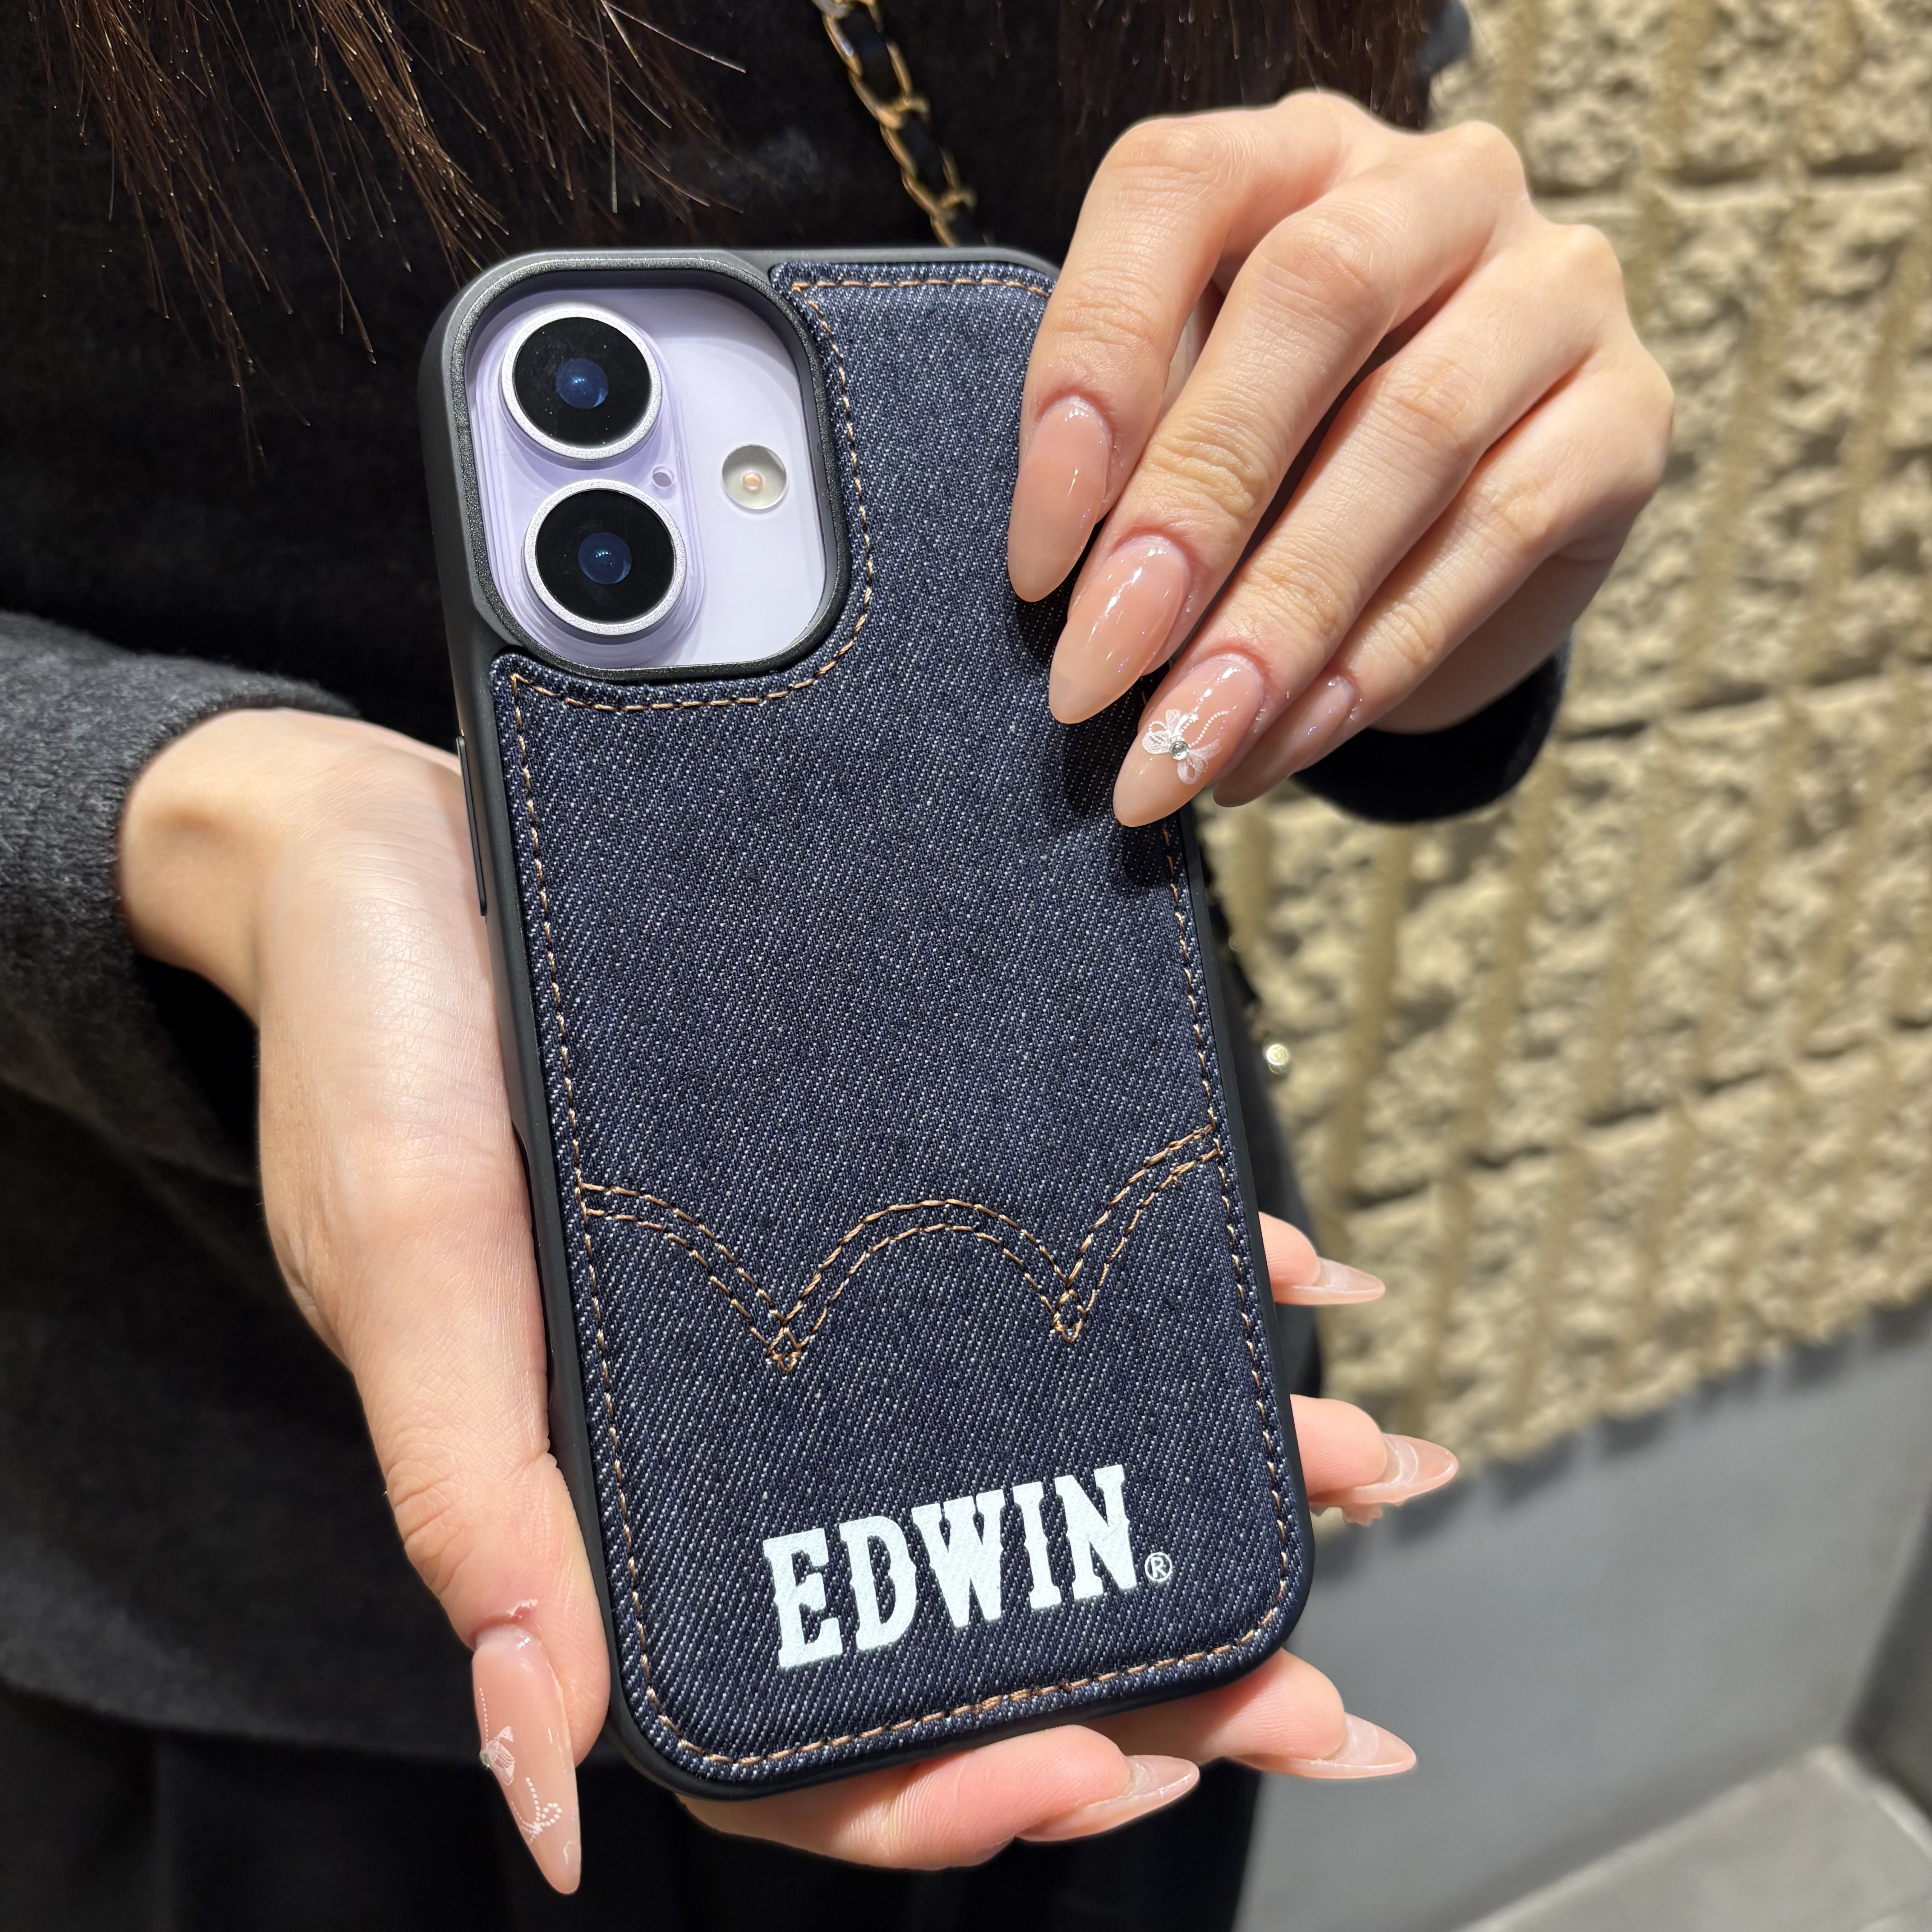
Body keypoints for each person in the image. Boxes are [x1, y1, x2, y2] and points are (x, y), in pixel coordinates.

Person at [0, 0, 1670, 1923]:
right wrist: (212, 824)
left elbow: (1282, 418)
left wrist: (1434, 484)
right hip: (245, 1631)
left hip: (1093, 1362)